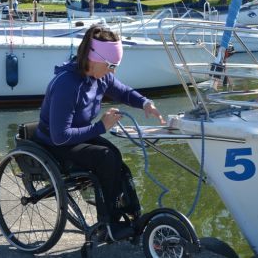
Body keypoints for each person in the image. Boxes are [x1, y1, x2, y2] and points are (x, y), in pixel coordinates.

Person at [35, 25, 165, 241]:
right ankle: (108, 224)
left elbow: (123, 91)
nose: (113, 70)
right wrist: (101, 127)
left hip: (74, 135)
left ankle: (128, 213)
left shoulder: (100, 76)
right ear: (93, 58)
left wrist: (145, 103)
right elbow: (61, 136)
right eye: (111, 65)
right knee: (106, 158)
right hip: (53, 143)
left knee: (115, 155)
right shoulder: (67, 85)